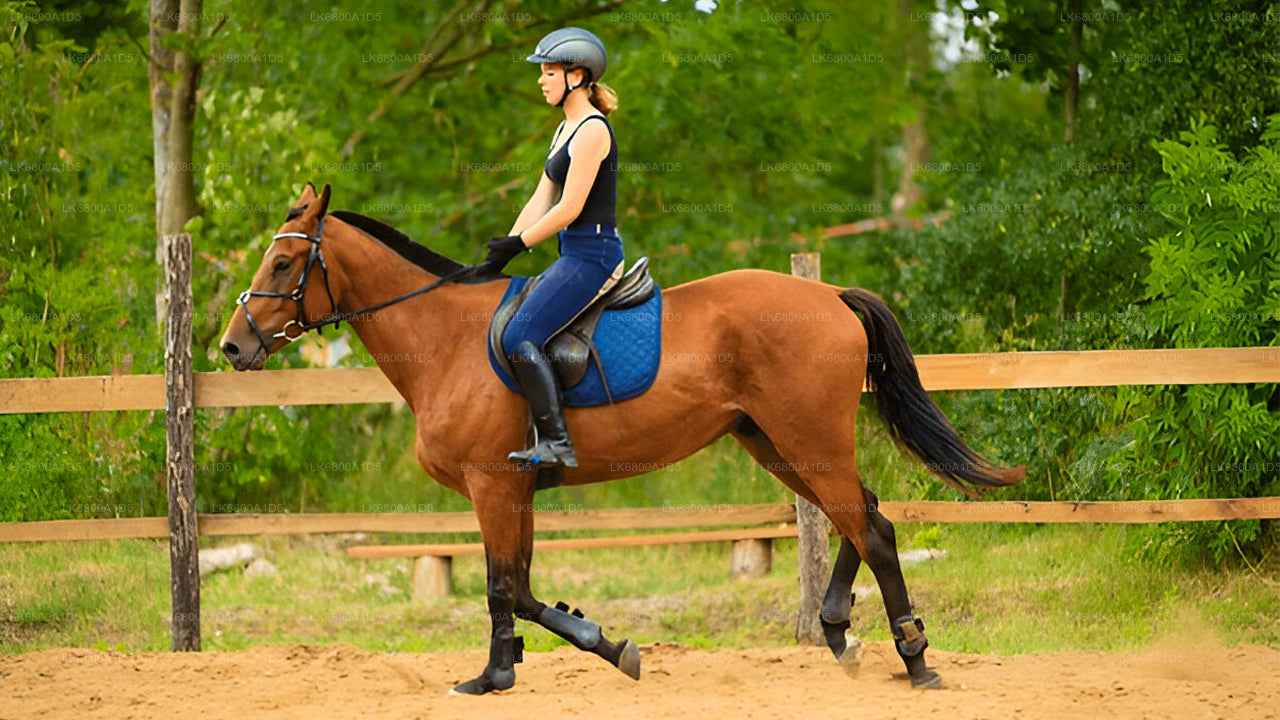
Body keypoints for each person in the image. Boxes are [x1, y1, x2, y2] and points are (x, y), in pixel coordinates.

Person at [481, 27, 622, 469]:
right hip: (572, 255)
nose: (541, 81)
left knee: (521, 334)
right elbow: (540, 199)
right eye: (541, 73)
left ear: (576, 76)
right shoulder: (564, 129)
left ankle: (557, 442)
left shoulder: (593, 132)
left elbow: (569, 208)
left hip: (594, 257)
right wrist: (502, 249)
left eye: (548, 72)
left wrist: (522, 243)